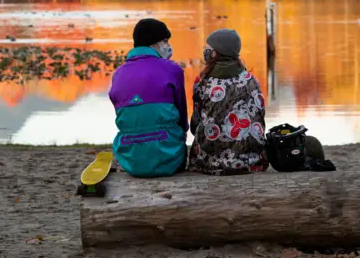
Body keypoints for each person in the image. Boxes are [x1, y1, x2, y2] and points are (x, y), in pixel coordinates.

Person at [108, 18, 188, 178]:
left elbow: (124, 117)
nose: (168, 46)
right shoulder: (172, 69)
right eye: (165, 41)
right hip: (170, 158)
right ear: (152, 43)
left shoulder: (118, 73)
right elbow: (182, 118)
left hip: (129, 160)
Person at [189, 28, 269, 175]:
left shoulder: (202, 82)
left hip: (210, 162)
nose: (205, 51)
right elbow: (260, 115)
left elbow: (195, 123)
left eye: (208, 48)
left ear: (217, 52)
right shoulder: (251, 81)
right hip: (251, 161)